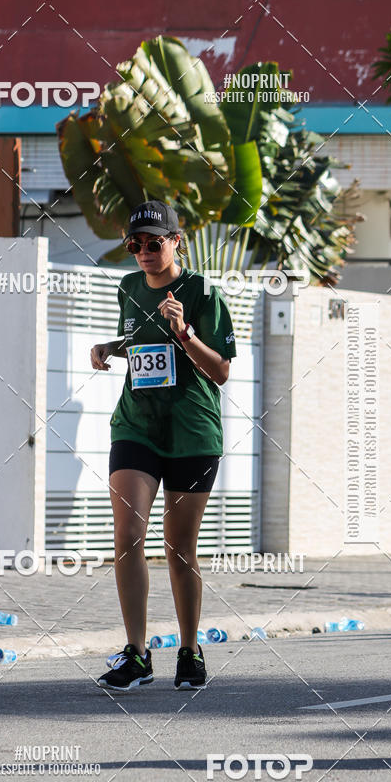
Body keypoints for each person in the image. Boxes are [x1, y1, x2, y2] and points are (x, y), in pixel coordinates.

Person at [90, 200, 236, 692]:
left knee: (179, 548)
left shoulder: (202, 292)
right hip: (136, 427)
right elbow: (139, 343)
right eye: (136, 245)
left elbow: (220, 371)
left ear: (177, 241)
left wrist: (185, 332)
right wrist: (110, 348)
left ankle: (190, 650)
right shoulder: (128, 288)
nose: (145, 253)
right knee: (128, 533)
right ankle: (136, 653)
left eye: (155, 243)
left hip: (192, 432)